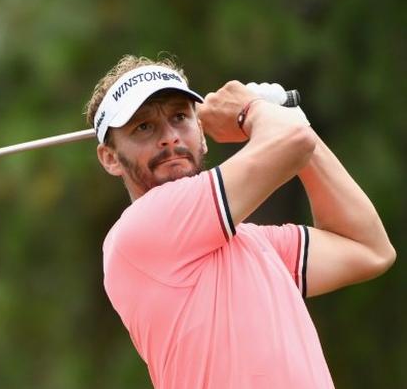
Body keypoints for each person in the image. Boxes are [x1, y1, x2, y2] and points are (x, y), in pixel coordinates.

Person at [86, 55, 396, 388]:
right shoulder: (140, 230)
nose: (169, 137)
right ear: (110, 158)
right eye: (144, 126)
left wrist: (292, 123)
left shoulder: (254, 243)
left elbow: (368, 248)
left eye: (179, 117)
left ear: (202, 134)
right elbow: (292, 143)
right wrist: (255, 111)